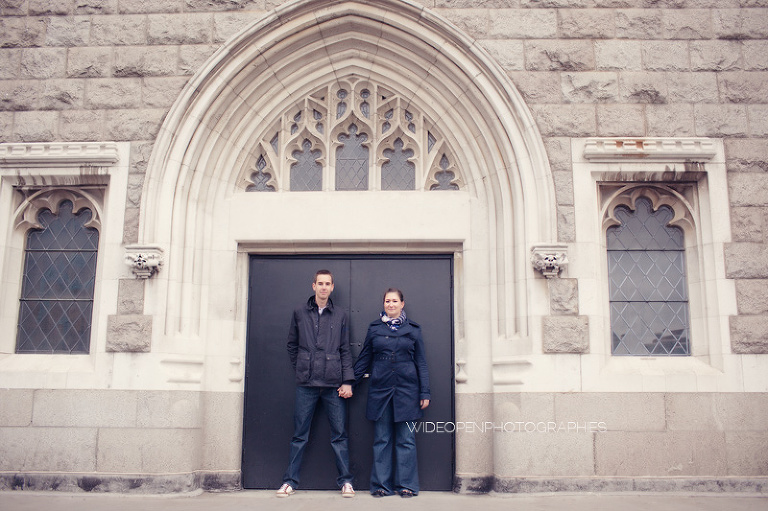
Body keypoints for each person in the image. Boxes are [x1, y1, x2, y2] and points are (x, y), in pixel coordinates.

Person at [276, 269, 356, 498]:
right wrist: (303, 366)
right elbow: (292, 345)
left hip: (333, 385)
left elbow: (345, 349)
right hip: (307, 384)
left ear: (332, 287)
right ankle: (289, 481)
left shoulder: (340, 315)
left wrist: (347, 381)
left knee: (339, 435)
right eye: (320, 283)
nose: (323, 287)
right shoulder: (300, 312)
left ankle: (346, 482)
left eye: (327, 284)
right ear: (313, 286)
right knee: (299, 435)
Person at [353, 288, 430, 497]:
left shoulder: (413, 330)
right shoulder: (374, 328)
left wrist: (425, 392)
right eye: (387, 301)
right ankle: (381, 485)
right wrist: (350, 383)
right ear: (384, 304)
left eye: (395, 301)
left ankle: (407, 485)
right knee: (382, 439)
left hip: (407, 391)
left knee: (406, 440)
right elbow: (364, 359)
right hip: (381, 390)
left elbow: (421, 363)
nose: (391, 304)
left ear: (402, 304)